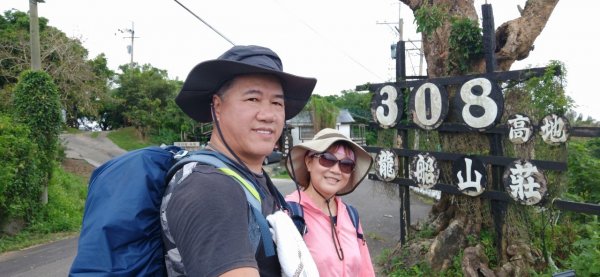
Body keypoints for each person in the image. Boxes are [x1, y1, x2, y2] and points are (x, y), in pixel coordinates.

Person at [161, 45, 316, 277]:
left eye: (277, 103)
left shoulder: (251, 178)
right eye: (253, 98)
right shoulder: (210, 188)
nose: (268, 115)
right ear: (217, 106)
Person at [285, 128, 376, 277]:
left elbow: (365, 271)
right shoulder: (289, 213)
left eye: (346, 164)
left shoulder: (351, 215)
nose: (336, 170)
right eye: (327, 159)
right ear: (309, 162)